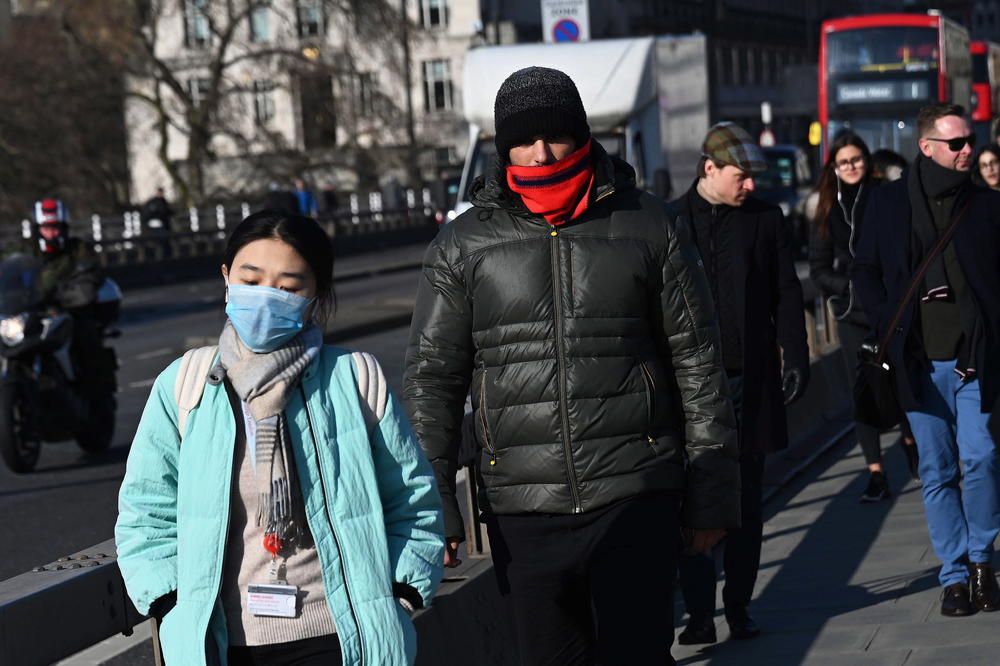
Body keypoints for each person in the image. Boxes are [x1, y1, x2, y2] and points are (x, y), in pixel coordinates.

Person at [402, 66, 739, 666]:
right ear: (503, 147)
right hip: (521, 508)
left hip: (635, 490)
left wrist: (711, 491)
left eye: (555, 135)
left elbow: (697, 359)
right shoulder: (462, 245)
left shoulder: (649, 222)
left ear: (582, 134)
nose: (540, 153)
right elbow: (433, 380)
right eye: (523, 141)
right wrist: (432, 504)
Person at [116, 210, 444, 665]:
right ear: (226, 278)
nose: (267, 298)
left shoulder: (353, 379)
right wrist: (170, 603)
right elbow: (145, 511)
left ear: (315, 295)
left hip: (341, 639)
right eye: (251, 281)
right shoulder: (185, 385)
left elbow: (411, 499)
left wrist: (402, 591)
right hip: (224, 645)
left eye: (288, 288)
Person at [853, 103, 1000, 617]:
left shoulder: (985, 204)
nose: (969, 151)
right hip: (917, 363)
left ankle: (984, 559)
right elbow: (865, 271)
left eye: (971, 140)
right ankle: (955, 574)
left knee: (981, 458)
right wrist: (887, 324)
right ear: (927, 147)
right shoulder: (889, 203)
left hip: (974, 360)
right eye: (957, 143)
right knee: (937, 470)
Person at [672, 122, 810, 645]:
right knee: (694, 500)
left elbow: (787, 293)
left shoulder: (764, 220)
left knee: (746, 502)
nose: (750, 185)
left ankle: (739, 607)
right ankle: (700, 615)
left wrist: (795, 356)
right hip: (690, 391)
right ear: (709, 168)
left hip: (747, 383)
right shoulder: (670, 221)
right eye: (741, 176)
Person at [809, 134, 920, 501]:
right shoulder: (827, 206)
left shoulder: (885, 194)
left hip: (890, 306)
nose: (851, 167)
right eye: (843, 162)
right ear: (834, 168)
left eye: (856, 159)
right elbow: (818, 267)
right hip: (852, 313)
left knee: (899, 379)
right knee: (865, 391)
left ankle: (911, 443)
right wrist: (847, 286)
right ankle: (876, 472)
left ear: (866, 160)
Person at [23, 199, 111, 390]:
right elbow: (11, 275)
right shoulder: (27, 252)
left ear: (63, 228)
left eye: (55, 227)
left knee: (87, 342)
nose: (51, 233)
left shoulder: (79, 249)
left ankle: (93, 395)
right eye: (46, 228)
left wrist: (69, 295)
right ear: (37, 228)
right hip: (35, 312)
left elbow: (90, 276)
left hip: (70, 312)